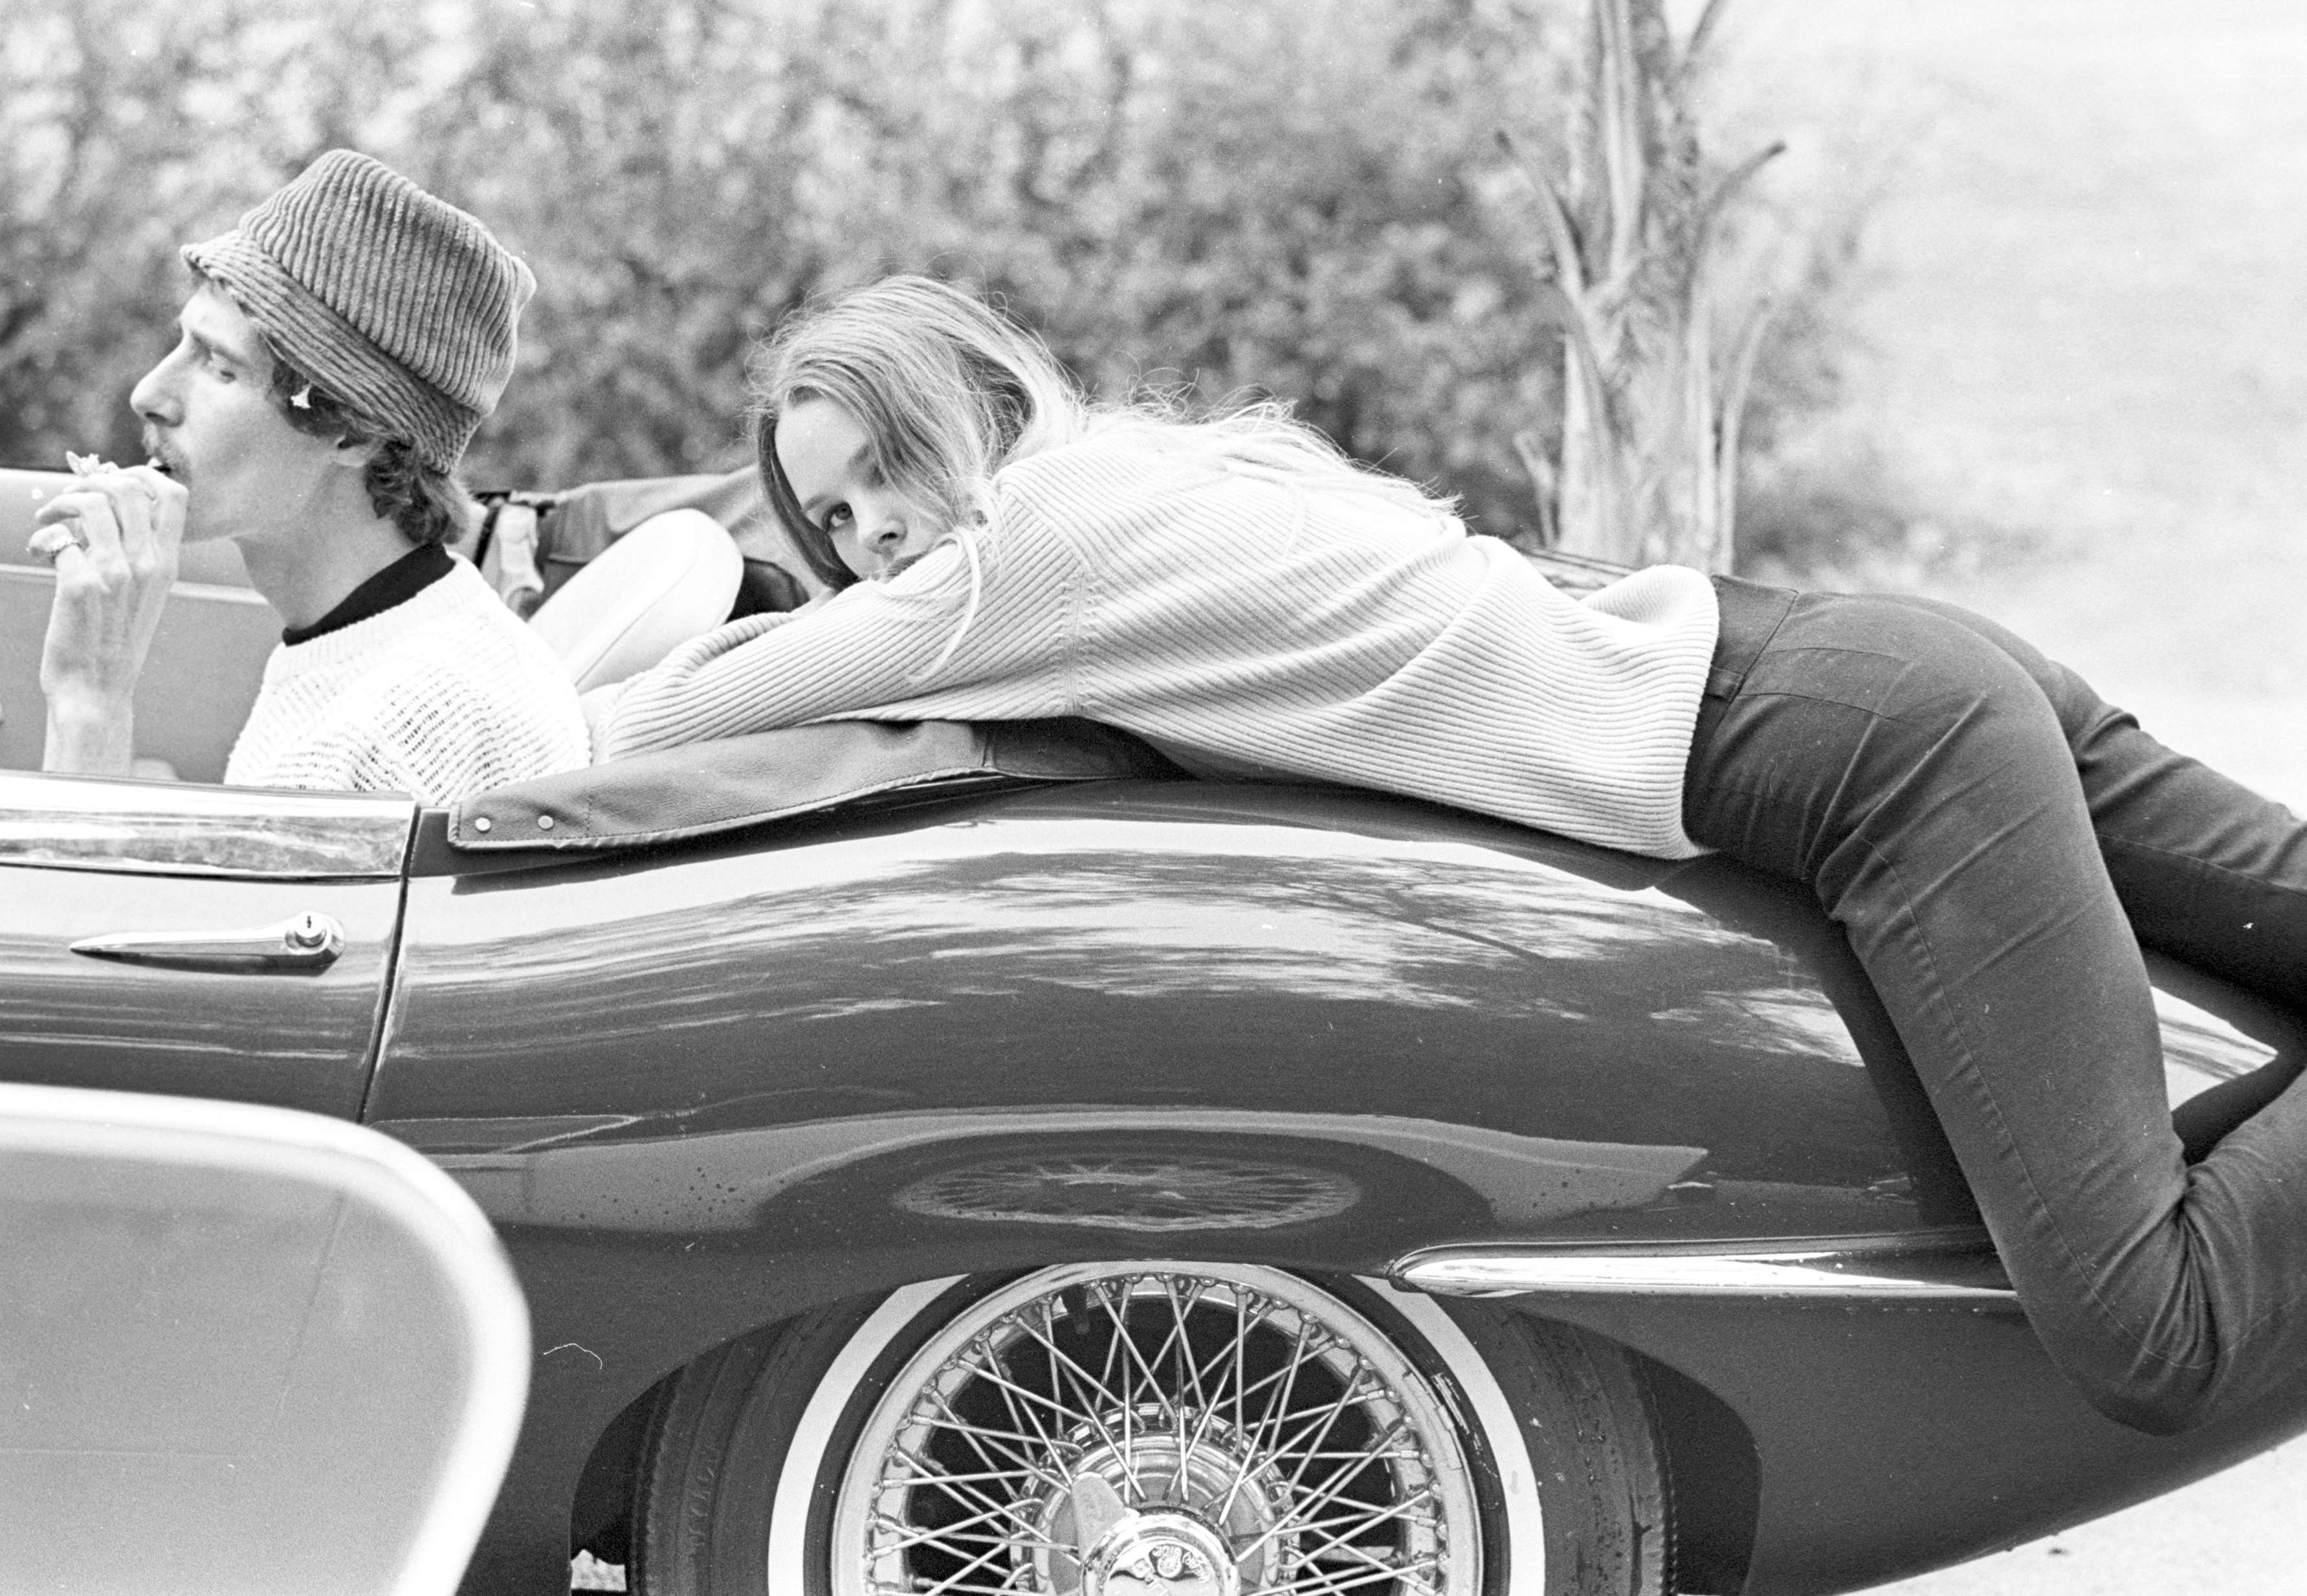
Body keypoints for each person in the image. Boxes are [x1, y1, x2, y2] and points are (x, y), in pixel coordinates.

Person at [593, 274, 2307, 1437]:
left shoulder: (1018, 560)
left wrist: (608, 623)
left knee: (2143, 1330)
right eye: (824, 520)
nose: (864, 535)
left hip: (1861, 754)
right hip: (1855, 668)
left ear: (968, 410)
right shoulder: (1135, 477)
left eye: (879, 472)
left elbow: (664, 723)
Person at [30, 150, 588, 805]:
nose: (149, 393)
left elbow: (87, 913)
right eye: (182, 344)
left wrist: (90, 702)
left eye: (219, 367)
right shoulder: (373, 639)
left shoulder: (398, 731)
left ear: (351, 431)